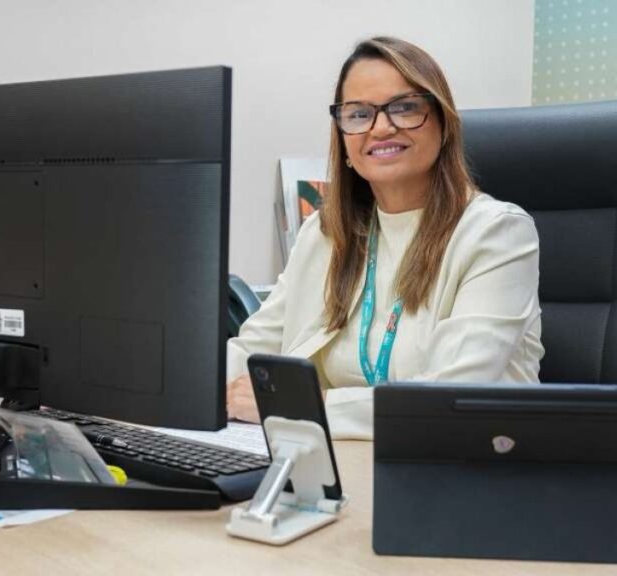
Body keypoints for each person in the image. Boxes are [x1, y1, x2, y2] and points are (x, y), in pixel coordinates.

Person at [226, 36, 543, 439]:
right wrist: (193, 388)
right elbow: (254, 348)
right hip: (347, 453)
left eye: (404, 108)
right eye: (358, 114)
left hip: (467, 459)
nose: (380, 127)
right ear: (343, 139)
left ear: (444, 124)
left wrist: (298, 406)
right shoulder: (326, 234)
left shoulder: (498, 234)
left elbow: (453, 395)